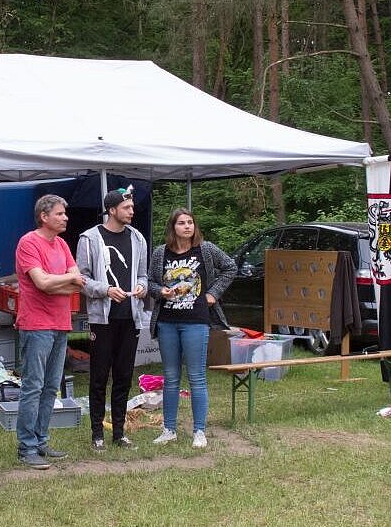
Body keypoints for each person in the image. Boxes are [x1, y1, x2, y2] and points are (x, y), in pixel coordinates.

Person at [147, 208, 236, 448]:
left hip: (196, 321)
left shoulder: (205, 249)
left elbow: (230, 267)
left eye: (190, 222)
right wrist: (161, 291)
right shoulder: (161, 252)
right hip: (167, 321)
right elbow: (150, 282)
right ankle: (169, 429)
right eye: (181, 223)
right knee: (170, 377)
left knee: (196, 377)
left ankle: (199, 431)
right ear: (172, 227)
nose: (187, 226)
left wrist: (213, 294)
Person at [14, 194, 85, 469]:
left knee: (51, 387)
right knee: (33, 386)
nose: (66, 218)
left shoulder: (62, 244)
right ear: (44, 217)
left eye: (65, 213)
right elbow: (41, 282)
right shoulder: (28, 243)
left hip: (60, 322)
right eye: (59, 213)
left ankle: (41, 440)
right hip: (36, 324)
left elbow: (76, 284)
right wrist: (65, 280)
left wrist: (60, 282)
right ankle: (27, 447)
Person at [76, 186, 148, 451]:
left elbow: (143, 275)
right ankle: (97, 433)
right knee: (98, 377)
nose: (132, 211)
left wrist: (142, 287)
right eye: (126, 207)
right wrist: (105, 290)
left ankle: (119, 432)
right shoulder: (89, 238)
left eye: (132, 207)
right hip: (103, 318)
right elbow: (81, 278)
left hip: (130, 316)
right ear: (112, 210)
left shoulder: (137, 238)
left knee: (124, 376)